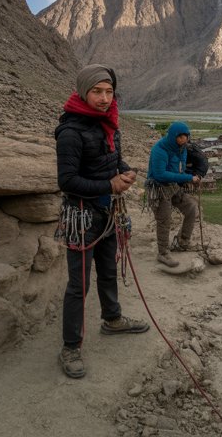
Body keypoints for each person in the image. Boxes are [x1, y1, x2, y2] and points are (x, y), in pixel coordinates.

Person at [55, 64, 149, 379]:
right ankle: (70, 347)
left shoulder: (109, 123)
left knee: (108, 271)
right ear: (84, 91)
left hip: (108, 213)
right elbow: (67, 181)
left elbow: (112, 158)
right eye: (97, 91)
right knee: (78, 285)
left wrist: (126, 170)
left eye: (109, 91)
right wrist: (110, 185)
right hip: (81, 216)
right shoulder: (70, 131)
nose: (104, 98)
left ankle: (112, 319)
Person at [145, 121, 201, 267]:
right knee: (164, 220)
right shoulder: (160, 149)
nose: (184, 139)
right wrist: (188, 178)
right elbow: (160, 175)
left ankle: (183, 241)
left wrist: (193, 175)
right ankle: (163, 253)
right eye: (180, 137)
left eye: (186, 136)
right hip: (158, 188)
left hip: (173, 186)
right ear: (173, 136)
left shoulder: (182, 149)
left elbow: (179, 170)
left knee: (191, 208)